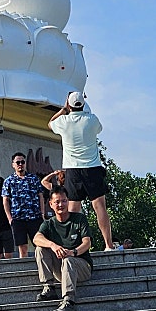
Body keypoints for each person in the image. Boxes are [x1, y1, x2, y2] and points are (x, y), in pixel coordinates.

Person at [49, 91, 114, 252]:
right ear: (83, 103)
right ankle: (109, 245)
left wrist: (64, 110)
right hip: (92, 167)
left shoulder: (64, 121)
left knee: (72, 209)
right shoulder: (92, 120)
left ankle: (70, 244)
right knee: (100, 207)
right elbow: (99, 129)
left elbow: (50, 123)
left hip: (73, 168)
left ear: (69, 104)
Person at [33, 186, 93, 311]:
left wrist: (73, 252)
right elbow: (36, 238)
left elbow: (87, 242)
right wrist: (53, 245)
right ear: (51, 204)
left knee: (68, 260)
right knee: (40, 249)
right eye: (57, 202)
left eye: (64, 201)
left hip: (81, 266)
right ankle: (48, 287)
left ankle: (69, 301)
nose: (61, 205)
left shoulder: (79, 219)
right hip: (61, 268)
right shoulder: (49, 224)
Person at [0, 151, 43, 259]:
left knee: (40, 245)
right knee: (22, 248)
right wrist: (10, 218)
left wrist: (42, 213)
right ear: (13, 164)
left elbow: (40, 196)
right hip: (18, 219)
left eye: (22, 162)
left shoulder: (33, 179)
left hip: (34, 217)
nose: (20, 164)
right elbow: (5, 200)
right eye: (18, 162)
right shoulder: (9, 181)